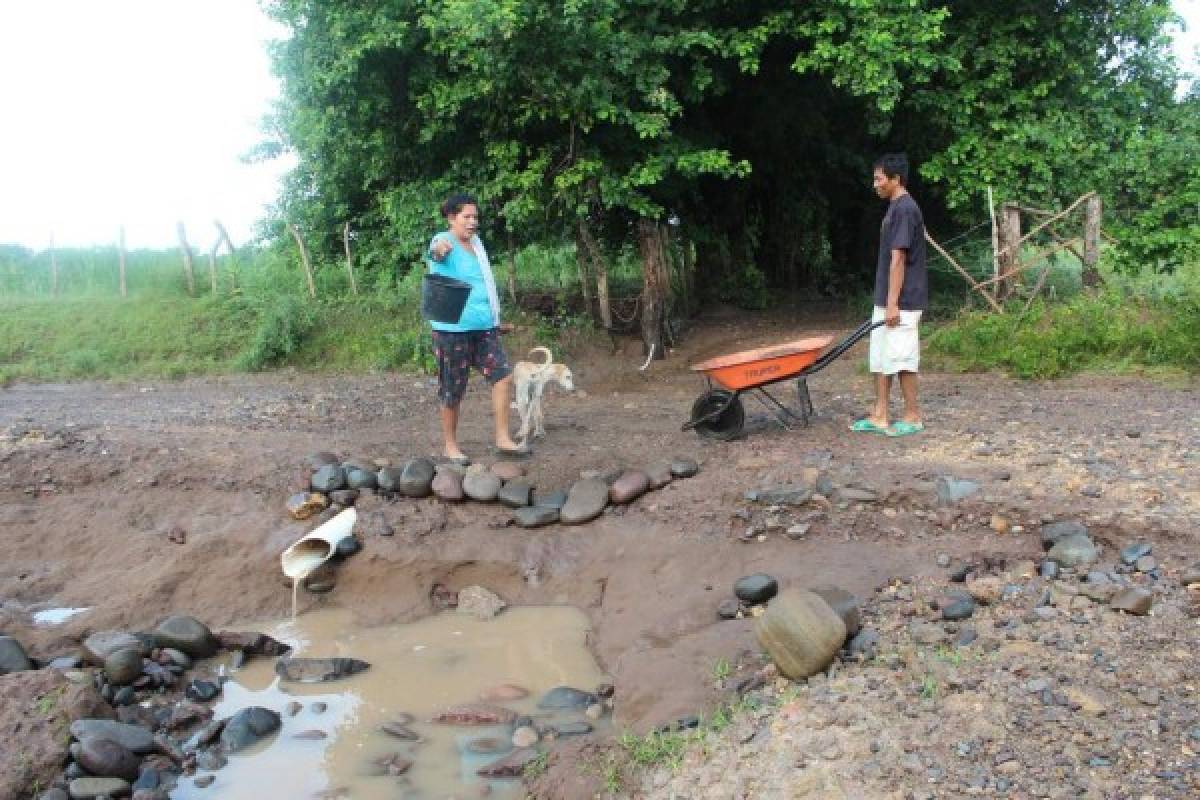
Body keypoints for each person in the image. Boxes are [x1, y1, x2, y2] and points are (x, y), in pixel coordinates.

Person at [425, 193, 525, 463]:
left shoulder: (478, 243)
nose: (472, 222)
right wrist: (439, 251)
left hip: (484, 328)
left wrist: (495, 320)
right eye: (466, 217)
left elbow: (485, 285)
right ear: (451, 218)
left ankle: (503, 438)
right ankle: (450, 445)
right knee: (452, 388)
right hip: (451, 329)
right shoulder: (442, 240)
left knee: (502, 376)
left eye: (475, 217)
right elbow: (436, 251)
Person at [851, 153, 928, 437]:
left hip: (904, 300)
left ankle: (912, 415)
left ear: (896, 179)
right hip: (887, 298)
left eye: (879, 179)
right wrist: (885, 301)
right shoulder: (894, 208)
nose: (875, 184)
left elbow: (899, 258)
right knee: (881, 356)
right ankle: (880, 414)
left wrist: (894, 303)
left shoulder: (906, 209)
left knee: (902, 357)